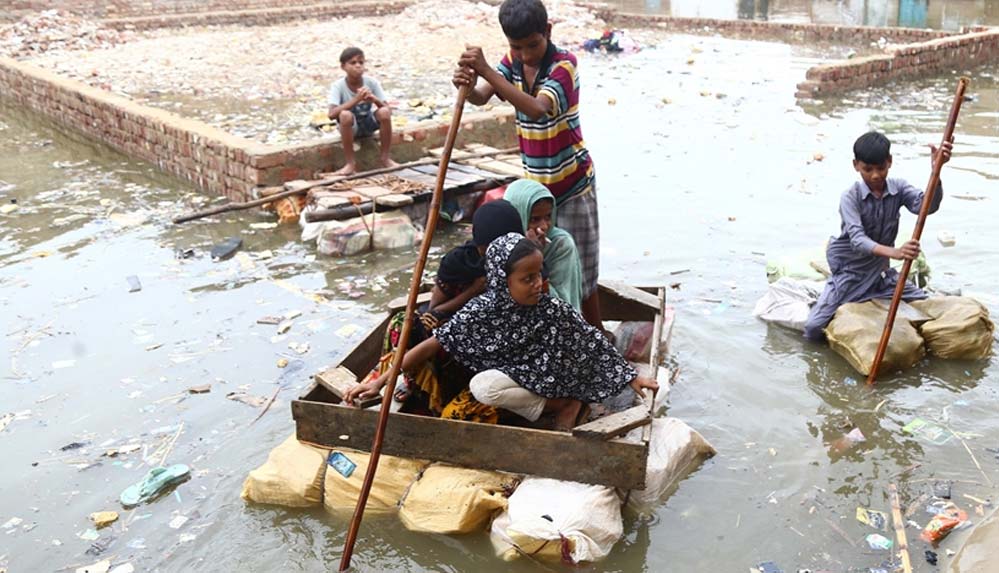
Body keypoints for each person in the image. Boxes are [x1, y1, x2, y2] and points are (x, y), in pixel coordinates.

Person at [345, 233, 658, 430]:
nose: (539, 285)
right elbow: (429, 346)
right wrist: (381, 384)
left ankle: (567, 401)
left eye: (539, 276)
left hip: (553, 374)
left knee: (575, 350)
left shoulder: (547, 307)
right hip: (519, 379)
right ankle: (557, 406)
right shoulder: (481, 311)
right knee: (483, 387)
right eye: (527, 279)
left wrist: (631, 377)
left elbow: (588, 338)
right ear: (501, 281)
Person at [452, 0, 604, 329]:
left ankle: (596, 331)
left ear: (547, 32)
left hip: (572, 185)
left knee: (582, 267)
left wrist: (487, 69)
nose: (524, 55)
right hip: (534, 190)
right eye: (515, 47)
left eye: (532, 45)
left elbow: (537, 108)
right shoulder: (513, 62)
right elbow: (481, 95)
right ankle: (546, 330)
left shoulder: (564, 65)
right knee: (533, 263)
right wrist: (466, 82)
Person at [366, 200, 524, 414]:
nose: (495, 252)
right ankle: (412, 381)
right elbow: (436, 310)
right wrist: (472, 292)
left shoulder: (523, 263)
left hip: (496, 335)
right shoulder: (459, 262)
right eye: (488, 246)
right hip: (454, 319)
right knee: (406, 325)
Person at [803, 131, 953, 341]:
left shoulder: (898, 188)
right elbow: (857, 239)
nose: (875, 175)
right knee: (813, 327)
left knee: (927, 305)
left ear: (889, 162)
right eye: (867, 169)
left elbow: (926, 207)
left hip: (882, 276)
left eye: (880, 168)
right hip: (850, 275)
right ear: (856, 165)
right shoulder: (850, 197)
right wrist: (896, 252)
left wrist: (936, 172)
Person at [504, 178, 583, 311]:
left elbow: (562, 302)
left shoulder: (561, 245)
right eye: (534, 219)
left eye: (548, 217)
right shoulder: (503, 244)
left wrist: (535, 255)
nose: (544, 226)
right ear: (518, 216)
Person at [327, 47, 396, 176]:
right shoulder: (338, 86)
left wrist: (374, 99)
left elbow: (388, 110)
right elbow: (331, 114)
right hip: (350, 127)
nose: (358, 66)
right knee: (345, 115)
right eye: (352, 63)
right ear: (343, 67)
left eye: (361, 62)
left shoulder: (371, 82)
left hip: (367, 123)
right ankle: (350, 164)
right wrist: (356, 99)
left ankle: (385, 158)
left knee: (384, 112)